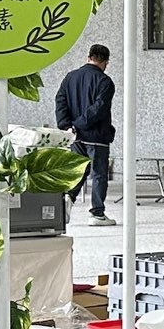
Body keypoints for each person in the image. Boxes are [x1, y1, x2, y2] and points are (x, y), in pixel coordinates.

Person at [54, 44, 117, 227]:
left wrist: (67, 125)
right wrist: (79, 124)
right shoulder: (105, 82)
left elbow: (60, 100)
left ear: (88, 57)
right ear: (105, 62)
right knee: (99, 174)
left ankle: (68, 197)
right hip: (96, 136)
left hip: (75, 136)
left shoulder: (70, 77)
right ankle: (97, 213)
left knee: (78, 170)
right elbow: (98, 109)